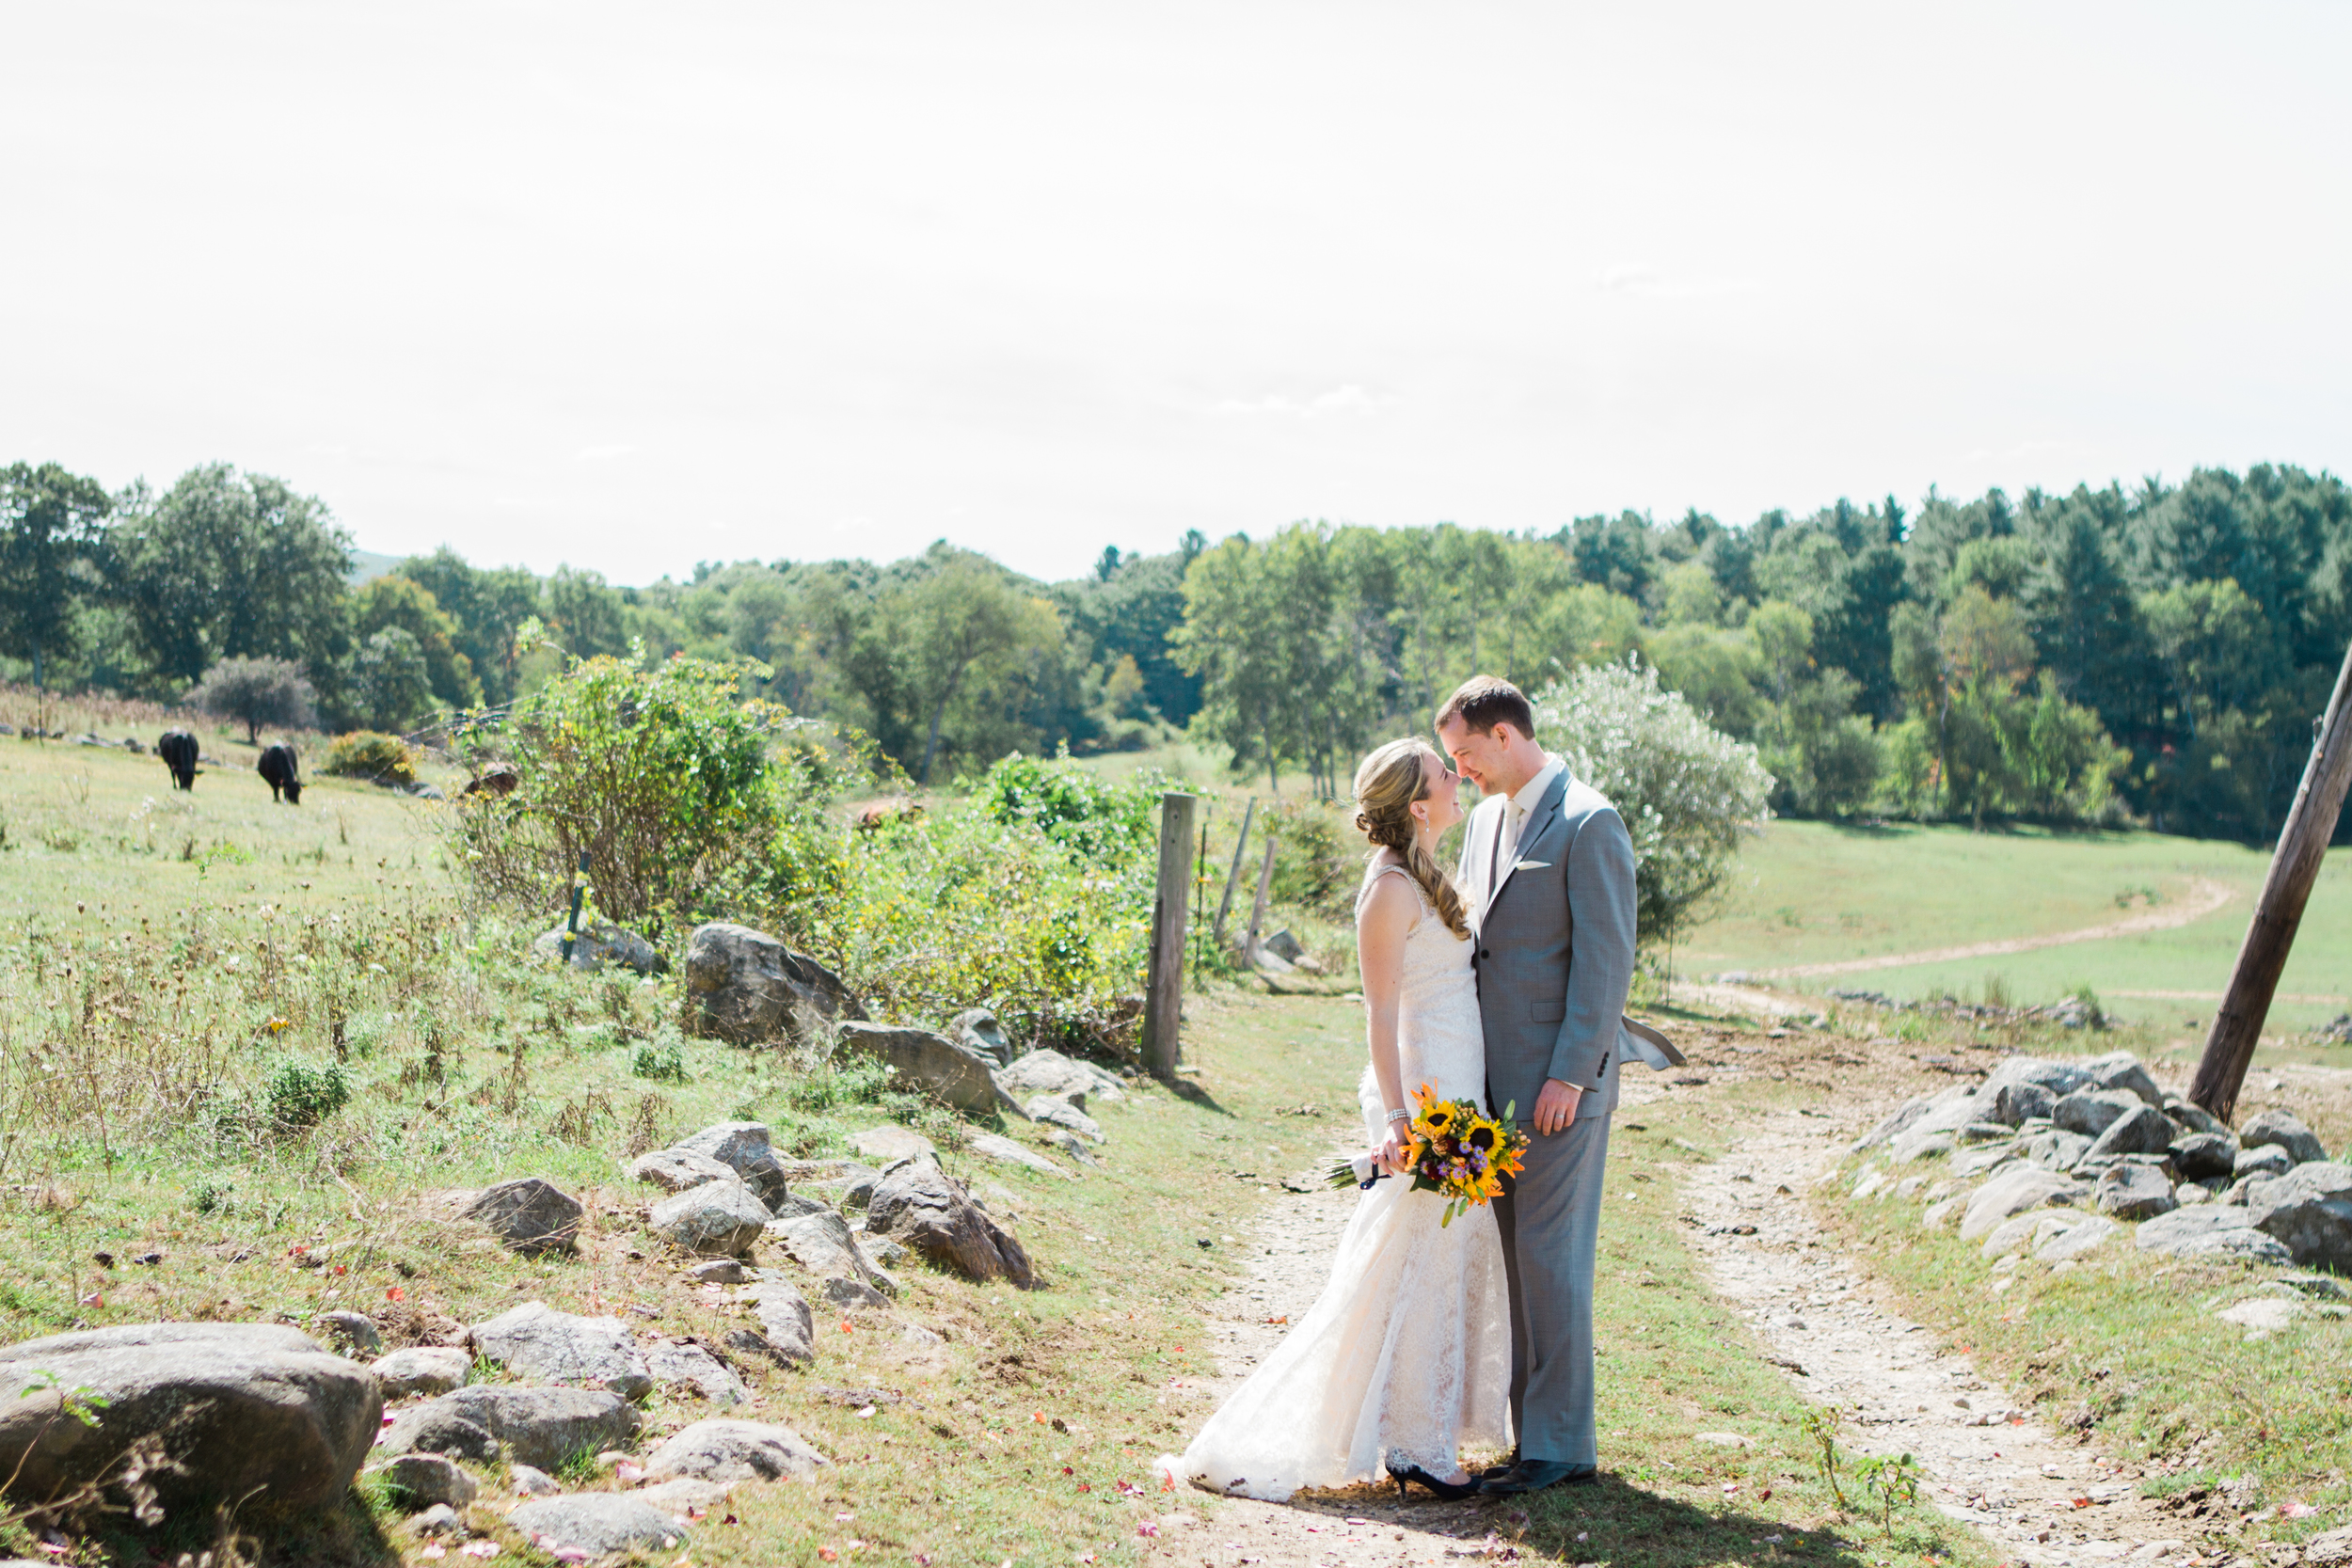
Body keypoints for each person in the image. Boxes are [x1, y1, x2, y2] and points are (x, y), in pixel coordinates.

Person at [1163, 737, 1512, 1503]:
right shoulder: (1387, 889)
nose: (1457, 779)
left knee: (1435, 1267)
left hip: (1457, 1087)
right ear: (1418, 806)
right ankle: (1411, 1444)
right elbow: (1379, 1012)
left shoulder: (1426, 871)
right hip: (1422, 1096)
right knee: (1409, 1264)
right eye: (1442, 772)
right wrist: (1397, 1116)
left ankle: (1420, 1431)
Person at [1435, 674, 1639, 1496]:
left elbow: (1606, 961)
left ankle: (1561, 1447)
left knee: (1552, 1258)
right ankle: (1534, 1439)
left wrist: (1570, 1074)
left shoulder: (1591, 821)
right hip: (1492, 1088)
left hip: (1560, 1090)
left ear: (1506, 736)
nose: (1461, 771)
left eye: (1465, 753)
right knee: (1519, 1258)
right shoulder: (1484, 820)